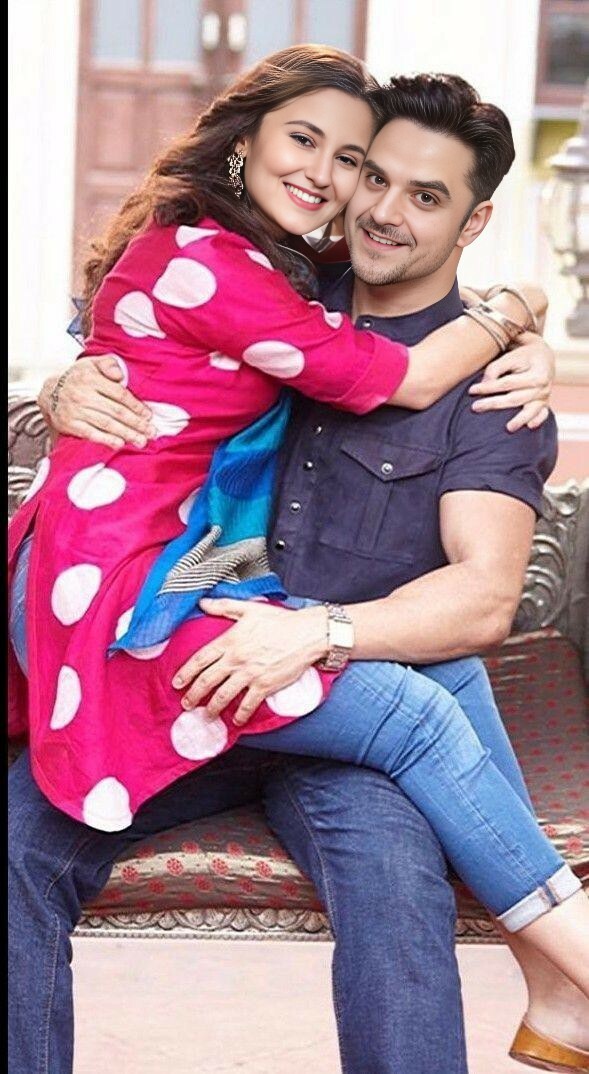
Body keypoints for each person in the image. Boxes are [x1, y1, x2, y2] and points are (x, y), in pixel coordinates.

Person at [8, 54, 584, 1074]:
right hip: (180, 663)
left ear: (474, 221)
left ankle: (559, 983)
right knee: (14, 845)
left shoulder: (487, 385)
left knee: (396, 869)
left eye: (425, 195)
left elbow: (483, 598)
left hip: (335, 699)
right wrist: (66, 387)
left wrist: (316, 633)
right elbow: (139, 329)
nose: (382, 210)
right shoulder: (276, 287)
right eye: (373, 176)